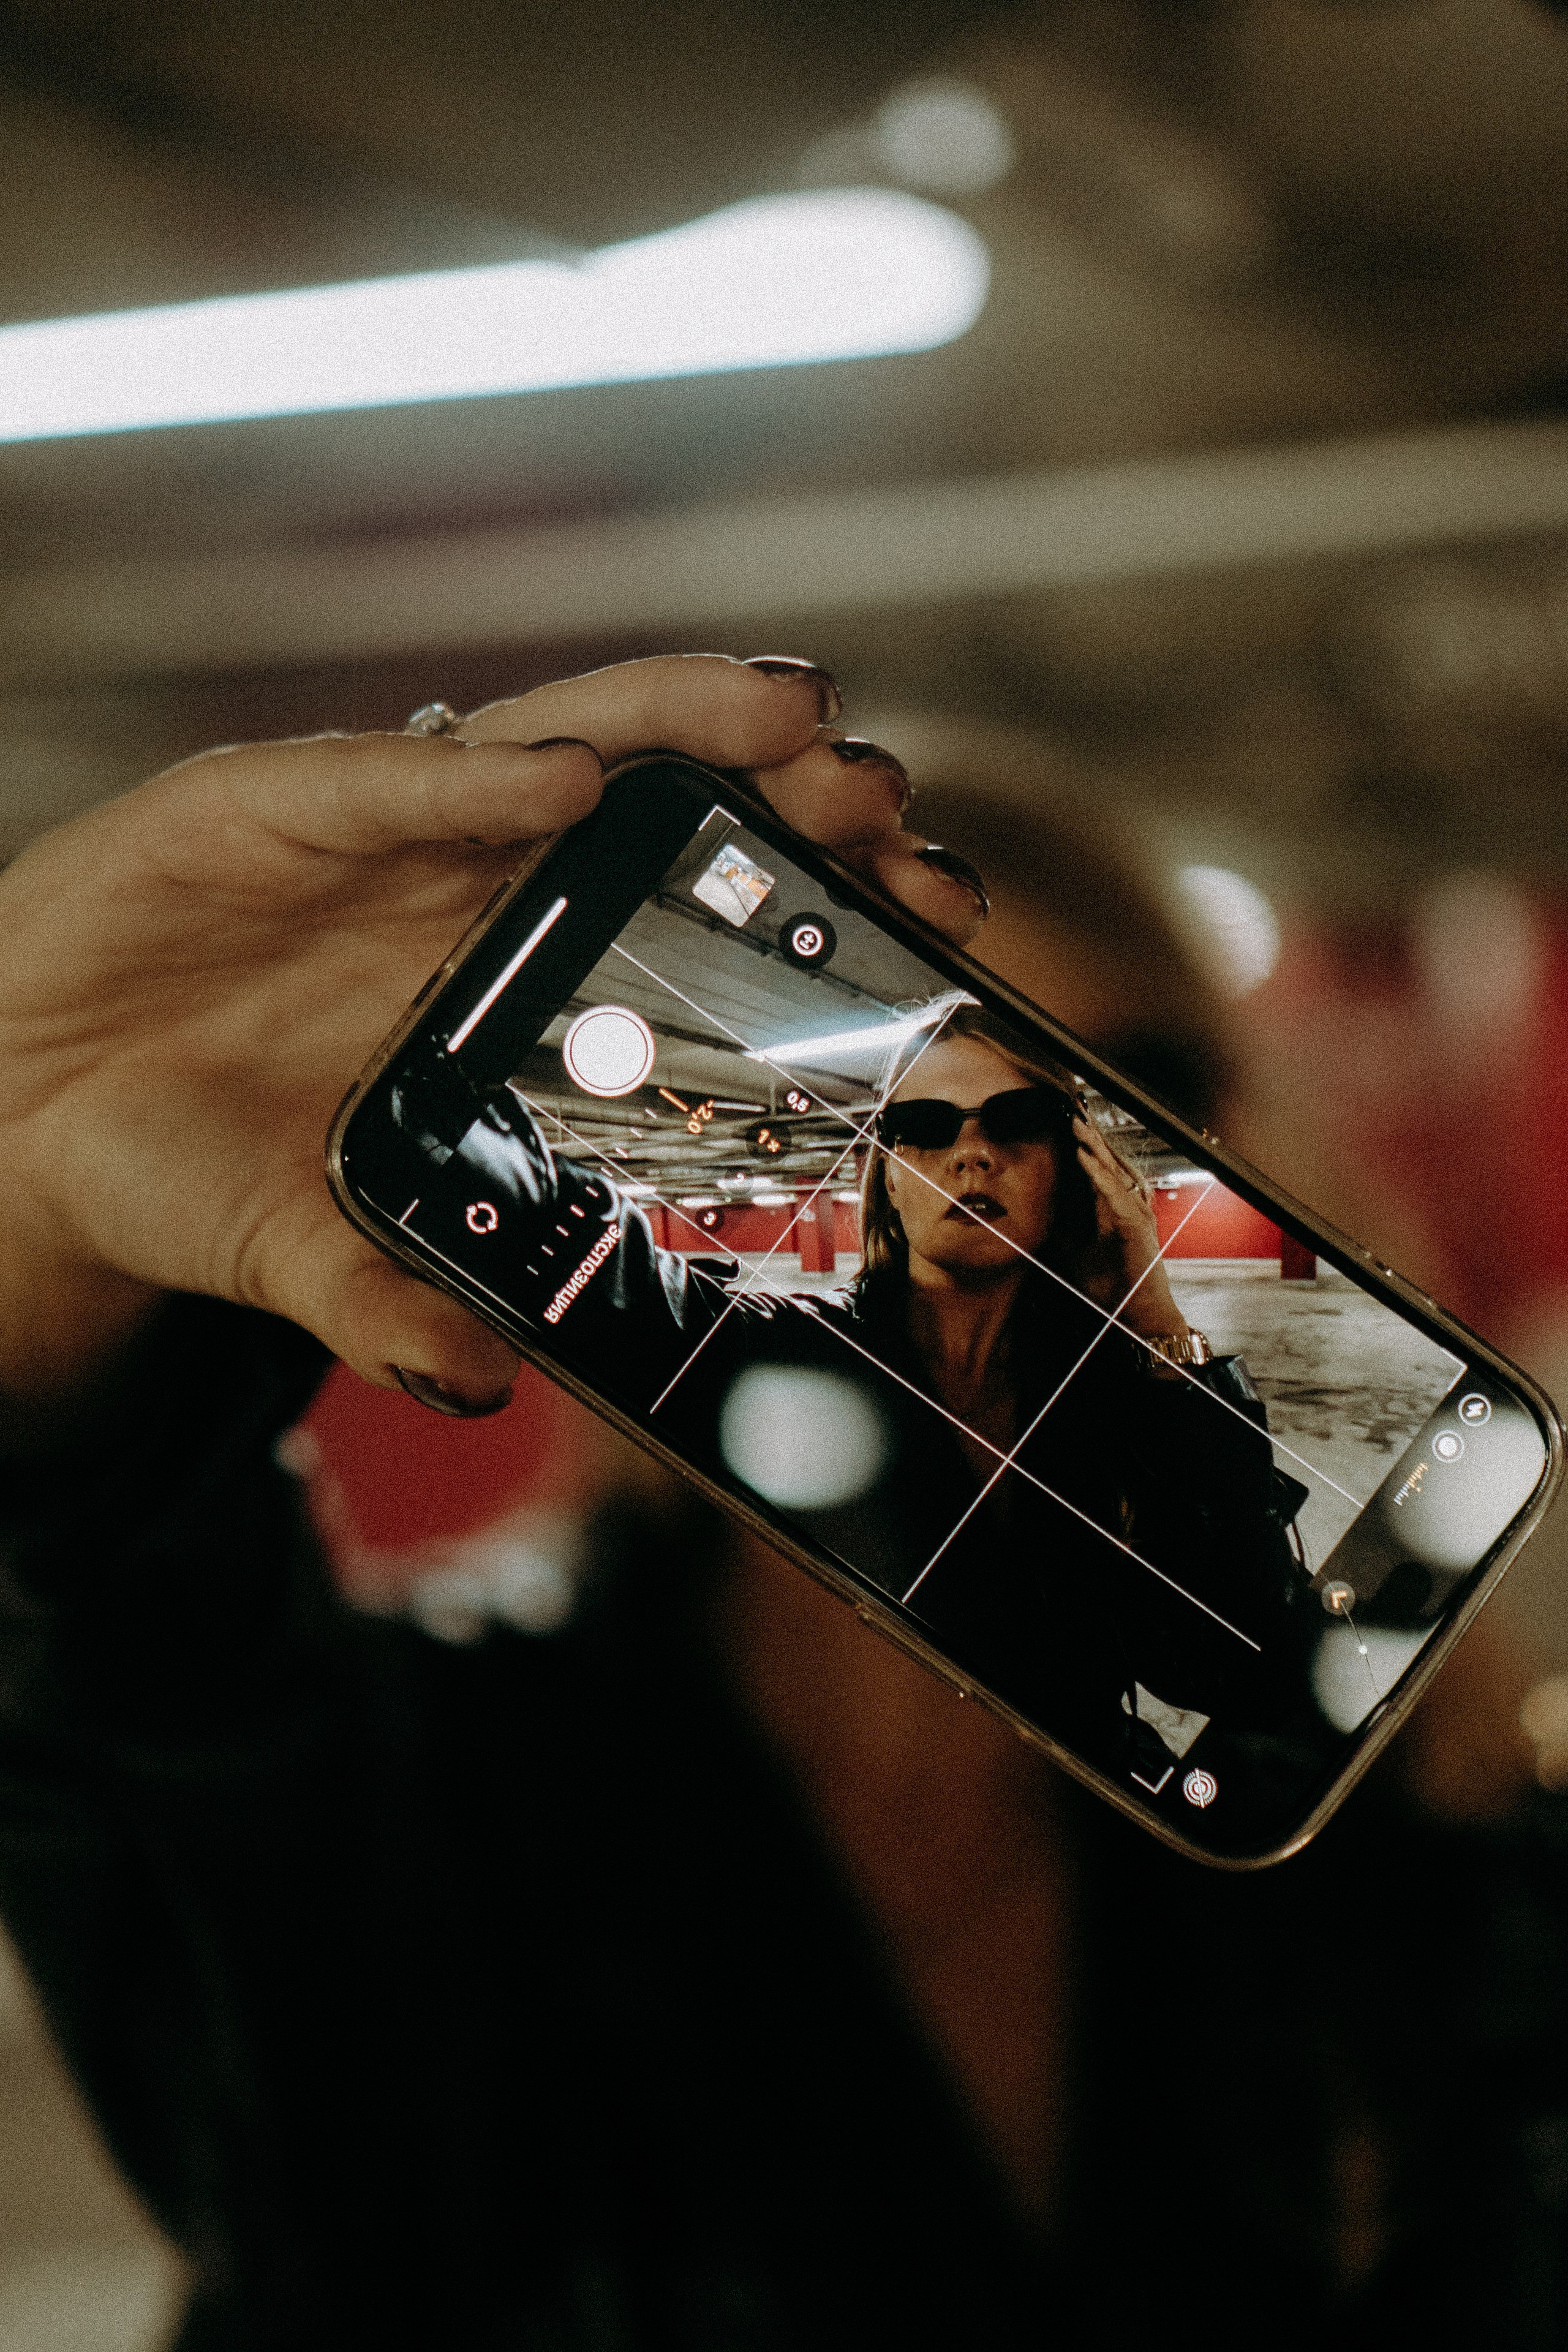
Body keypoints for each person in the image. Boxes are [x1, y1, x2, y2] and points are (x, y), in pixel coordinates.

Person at [1, 654, 1566, 2350]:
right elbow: (148, 1653)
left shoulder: (1429, 1883)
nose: (1002, 1204)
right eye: (875, 1119)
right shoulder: (445, 1794)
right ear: (715, 1205)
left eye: (1094, 1096)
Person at [396, 1000, 1306, 1787]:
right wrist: (433, 1110)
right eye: (927, 1128)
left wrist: (1156, 1324)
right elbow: (604, 1277)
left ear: (1074, 1171)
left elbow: (1238, 1665)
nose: (972, 1156)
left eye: (1014, 1122)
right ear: (888, 1178)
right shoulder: (790, 1355)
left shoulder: (1131, 1405)